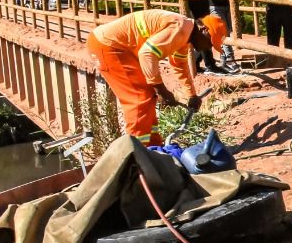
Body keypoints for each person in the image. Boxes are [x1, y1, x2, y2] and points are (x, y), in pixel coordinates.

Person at [87, 9, 213, 146]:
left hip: (115, 47)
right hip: (108, 46)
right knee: (139, 98)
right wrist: (162, 90)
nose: (209, 47)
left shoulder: (186, 37)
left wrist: (191, 95)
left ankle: (153, 147)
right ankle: (136, 152)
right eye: (210, 42)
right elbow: (147, 54)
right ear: (204, 30)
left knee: (147, 96)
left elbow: (179, 66)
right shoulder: (180, 28)